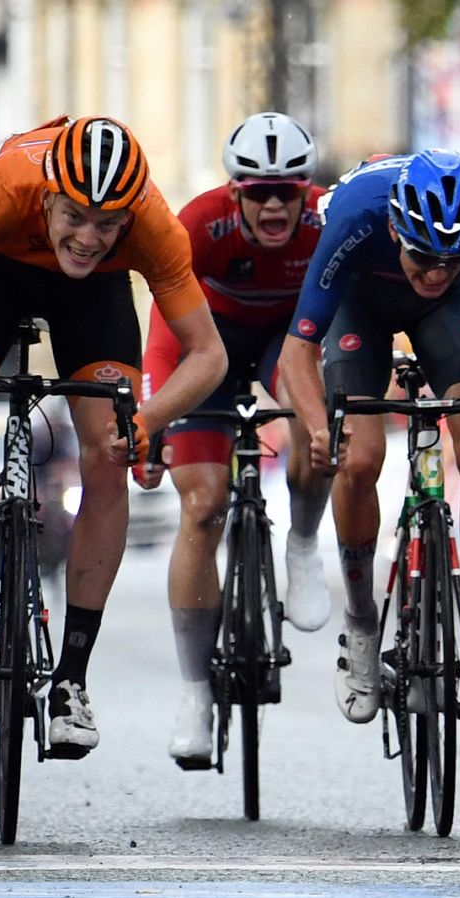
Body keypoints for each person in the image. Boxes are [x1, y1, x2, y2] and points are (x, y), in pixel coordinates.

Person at [0, 115, 227, 758]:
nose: (89, 238)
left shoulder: (151, 224)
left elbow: (208, 357)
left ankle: (72, 681)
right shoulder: (2, 190)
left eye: (107, 223)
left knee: (108, 451)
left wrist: (148, 421)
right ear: (49, 197)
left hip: (95, 303)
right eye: (76, 217)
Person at [278, 149, 460, 725]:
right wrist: (315, 426)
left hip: (452, 316)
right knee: (358, 459)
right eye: (424, 257)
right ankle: (359, 630)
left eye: (453, 261)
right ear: (396, 228)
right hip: (360, 301)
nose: (435, 274)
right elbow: (298, 349)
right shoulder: (356, 215)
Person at [132, 111, 335, 769]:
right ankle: (195, 693)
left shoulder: (324, 223)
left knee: (318, 427)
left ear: (307, 190)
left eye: (288, 191)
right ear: (235, 192)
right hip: (203, 342)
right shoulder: (198, 224)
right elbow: (168, 326)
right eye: (258, 192)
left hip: (287, 339)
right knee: (203, 503)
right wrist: (151, 421)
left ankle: (302, 544)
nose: (275, 205)